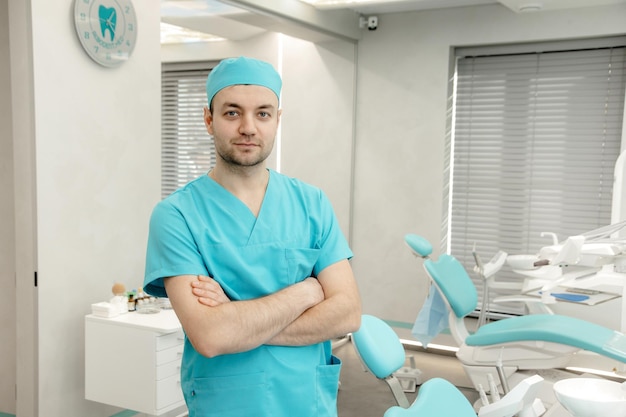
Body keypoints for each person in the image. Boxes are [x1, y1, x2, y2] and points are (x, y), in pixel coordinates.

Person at [143, 56, 362, 417]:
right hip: (229, 404)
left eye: (262, 113)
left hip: (308, 401)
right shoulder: (176, 216)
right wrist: (305, 292)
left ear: (277, 120)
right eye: (232, 113)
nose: (248, 127)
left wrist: (235, 318)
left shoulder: (312, 203)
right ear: (208, 120)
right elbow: (212, 337)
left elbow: (348, 314)